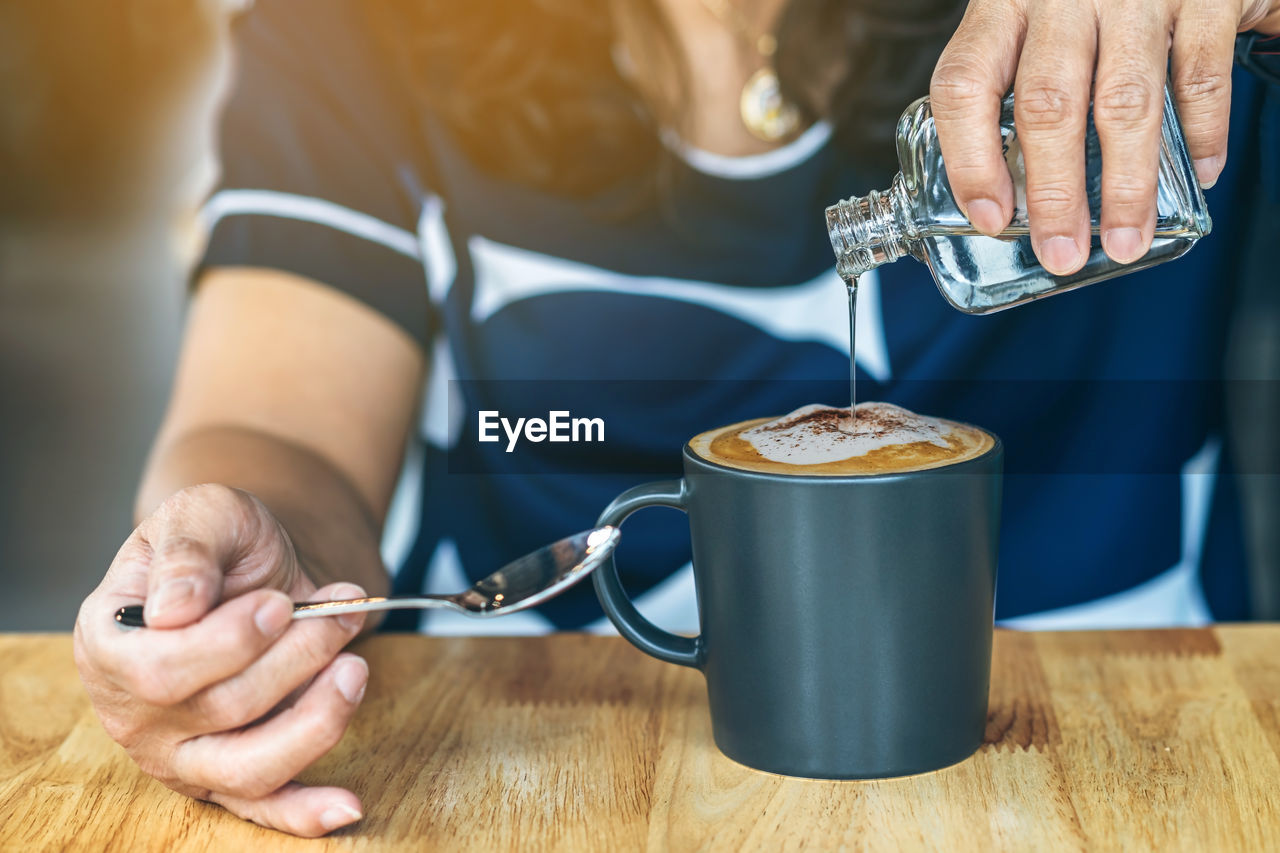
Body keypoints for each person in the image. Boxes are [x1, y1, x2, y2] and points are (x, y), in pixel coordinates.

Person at [74, 0, 1280, 837]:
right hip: (517, 773)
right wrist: (238, 598)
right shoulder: (363, 29)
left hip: (1121, 754)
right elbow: (284, 433)